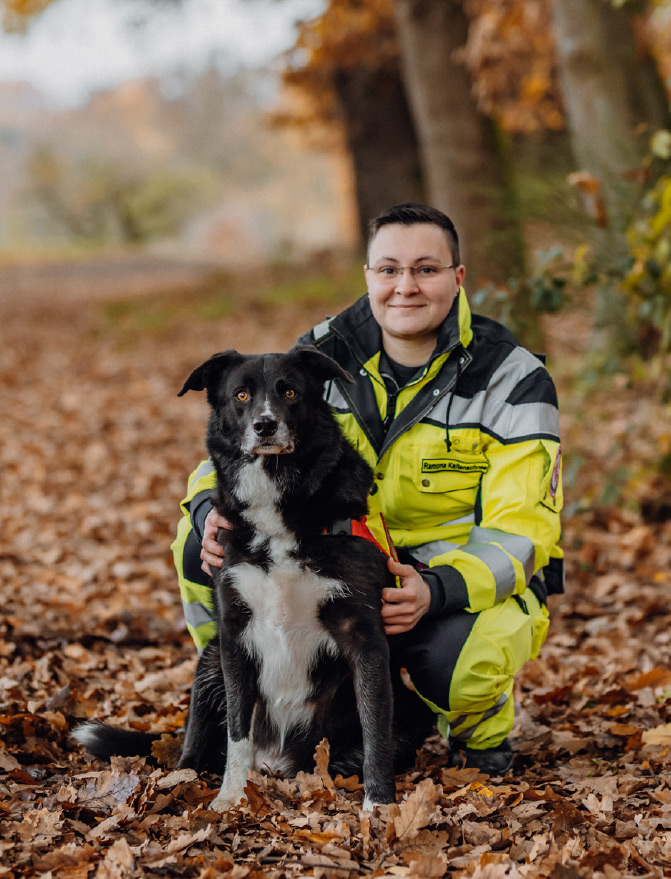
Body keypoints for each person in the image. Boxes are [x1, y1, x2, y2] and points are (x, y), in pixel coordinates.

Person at [171, 203, 563, 775]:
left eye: (426, 270)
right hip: (335, 557)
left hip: (440, 576)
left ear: (458, 278)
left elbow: (524, 529)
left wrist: (439, 587)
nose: (405, 286)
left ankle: (480, 736)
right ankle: (258, 703)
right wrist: (207, 510)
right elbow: (238, 445)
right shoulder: (321, 353)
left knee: (461, 658)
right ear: (368, 276)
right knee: (200, 545)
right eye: (389, 270)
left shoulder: (512, 379)